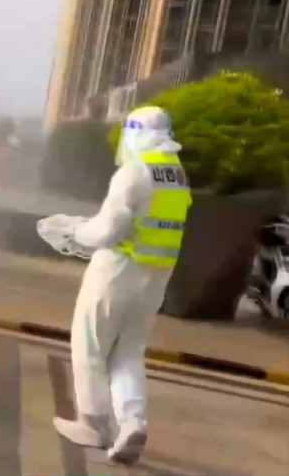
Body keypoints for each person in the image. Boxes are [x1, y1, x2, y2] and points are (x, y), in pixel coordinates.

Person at [52, 106, 192, 465]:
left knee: (90, 344)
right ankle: (132, 423)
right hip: (155, 278)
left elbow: (108, 230)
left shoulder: (135, 171)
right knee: (128, 352)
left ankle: (93, 424)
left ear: (136, 132)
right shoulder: (177, 174)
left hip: (117, 270)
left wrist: (74, 232)